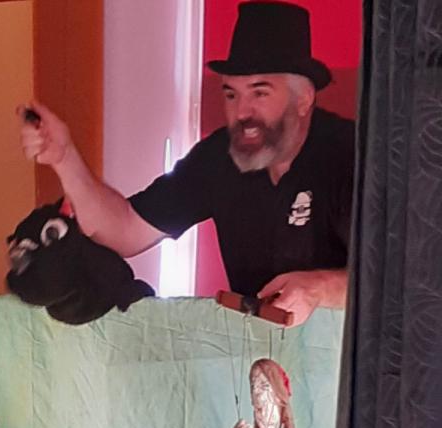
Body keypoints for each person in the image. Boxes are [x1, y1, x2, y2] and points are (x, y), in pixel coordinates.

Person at [19, 1, 354, 327]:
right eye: (231, 94)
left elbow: (386, 279)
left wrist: (320, 289)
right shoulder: (219, 158)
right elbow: (125, 231)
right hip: (259, 350)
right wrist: (65, 158)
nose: (242, 112)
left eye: (259, 93)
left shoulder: (353, 158)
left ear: (303, 99)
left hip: (358, 353)